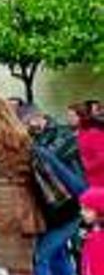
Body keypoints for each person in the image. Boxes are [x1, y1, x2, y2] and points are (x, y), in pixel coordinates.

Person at [0, 92, 45, 275]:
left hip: (3, 204)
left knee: (13, 265)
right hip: (27, 201)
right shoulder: (19, 130)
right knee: (24, 263)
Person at [23, 106, 84, 275]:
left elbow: (72, 178)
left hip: (68, 210)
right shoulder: (34, 144)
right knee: (57, 256)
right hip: (52, 215)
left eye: (27, 123)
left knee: (40, 258)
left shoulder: (59, 137)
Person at [77, 107, 104, 275]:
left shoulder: (93, 134)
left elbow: (101, 156)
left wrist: (85, 166)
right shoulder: (87, 133)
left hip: (97, 183)